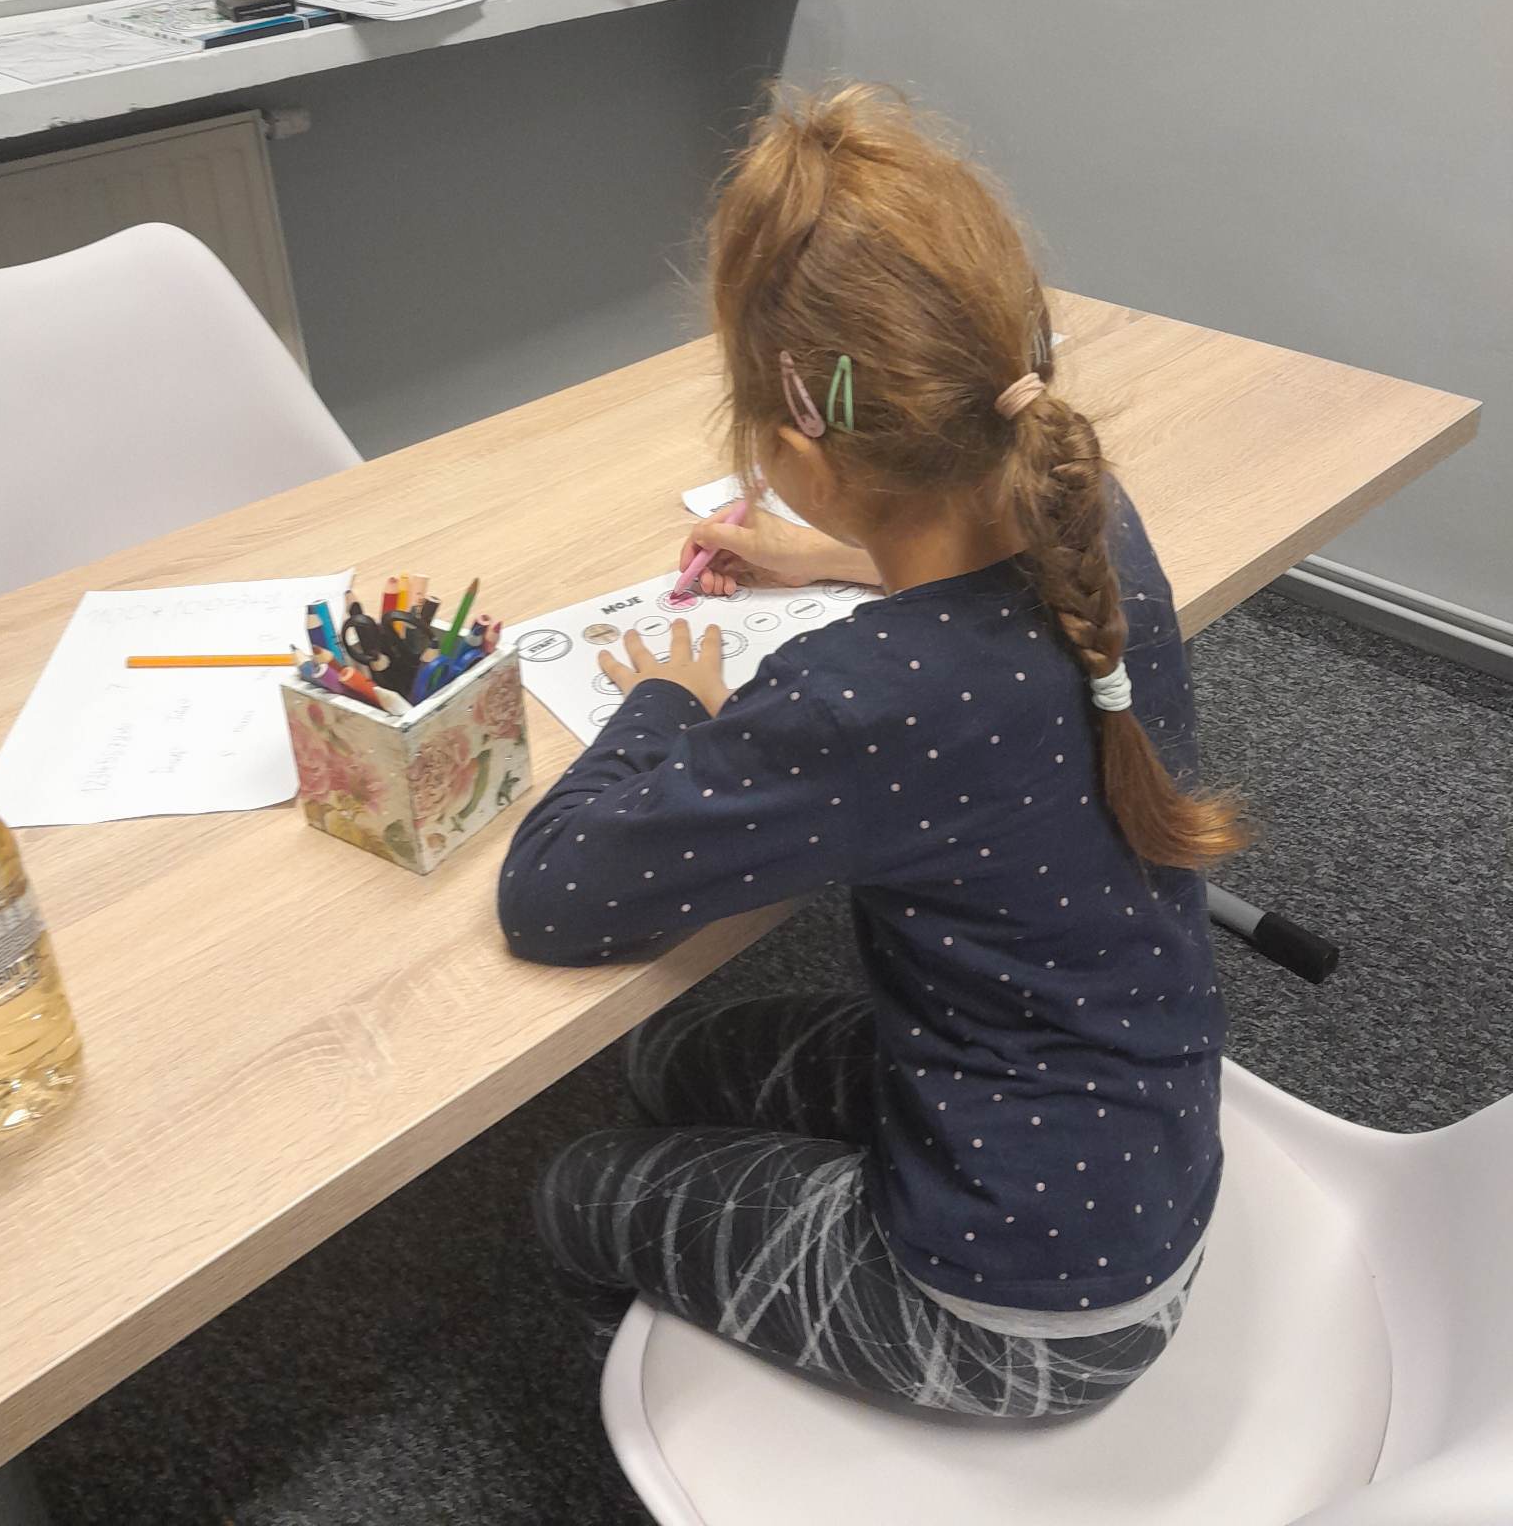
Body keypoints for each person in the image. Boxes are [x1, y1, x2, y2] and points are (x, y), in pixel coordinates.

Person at [498, 83, 1245, 1419]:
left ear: (799, 443)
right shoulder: (1090, 515)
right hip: (1128, 1149)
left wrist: (662, 700)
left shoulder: (869, 696)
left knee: (577, 1187)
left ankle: (726, 1429)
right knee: (679, 1064)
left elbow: (556, 898)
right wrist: (841, 553)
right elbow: (973, 606)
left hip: (1021, 1313)